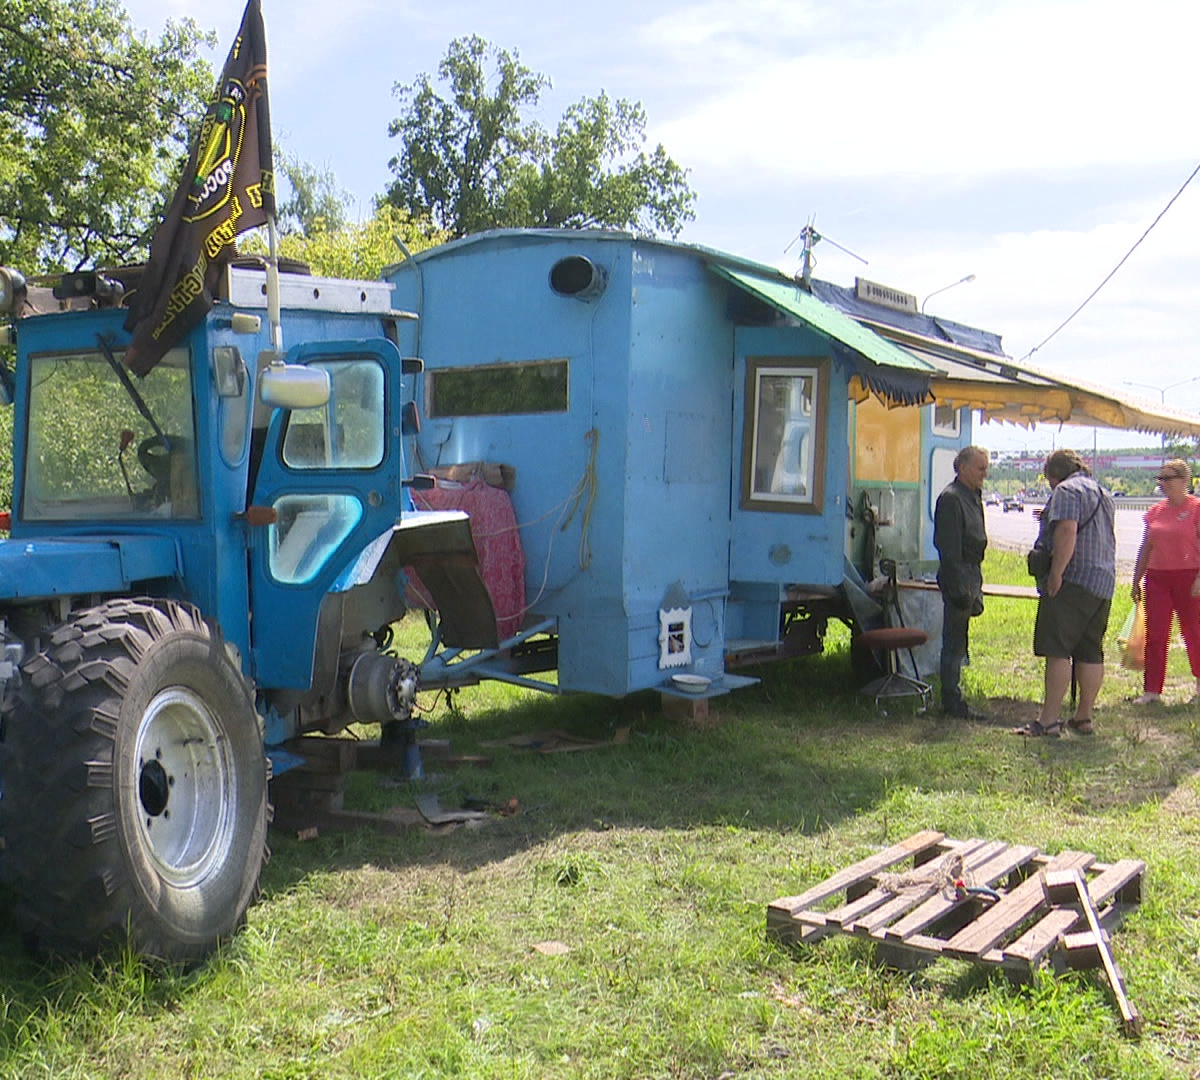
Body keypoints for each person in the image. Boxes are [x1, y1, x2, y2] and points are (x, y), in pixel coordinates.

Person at [1015, 449, 1116, 737]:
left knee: (1057, 649)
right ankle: (1083, 717)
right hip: (1102, 582)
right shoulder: (1103, 493)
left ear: (1053, 474)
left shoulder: (1066, 491)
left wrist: (1056, 573)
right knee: (1090, 651)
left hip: (1073, 580)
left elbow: (1067, 532)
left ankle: (1048, 721)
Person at [1129, 458, 1200, 704]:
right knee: (1156, 633)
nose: (1163, 484)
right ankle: (1152, 691)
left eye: (1168, 479)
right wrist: (1136, 578)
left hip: (1189, 576)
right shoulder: (1156, 511)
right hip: (1157, 577)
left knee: (1194, 632)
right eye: (1160, 479)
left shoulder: (1196, 508)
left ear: (1184, 480)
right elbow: (1146, 547)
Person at [933, 445, 990, 718]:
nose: (984, 473)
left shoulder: (972, 495)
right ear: (964, 468)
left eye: (986, 468)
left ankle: (954, 697)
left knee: (960, 640)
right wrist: (960, 588)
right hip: (959, 577)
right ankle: (951, 701)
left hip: (971, 574)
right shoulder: (951, 499)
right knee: (953, 642)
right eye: (980, 468)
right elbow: (949, 550)